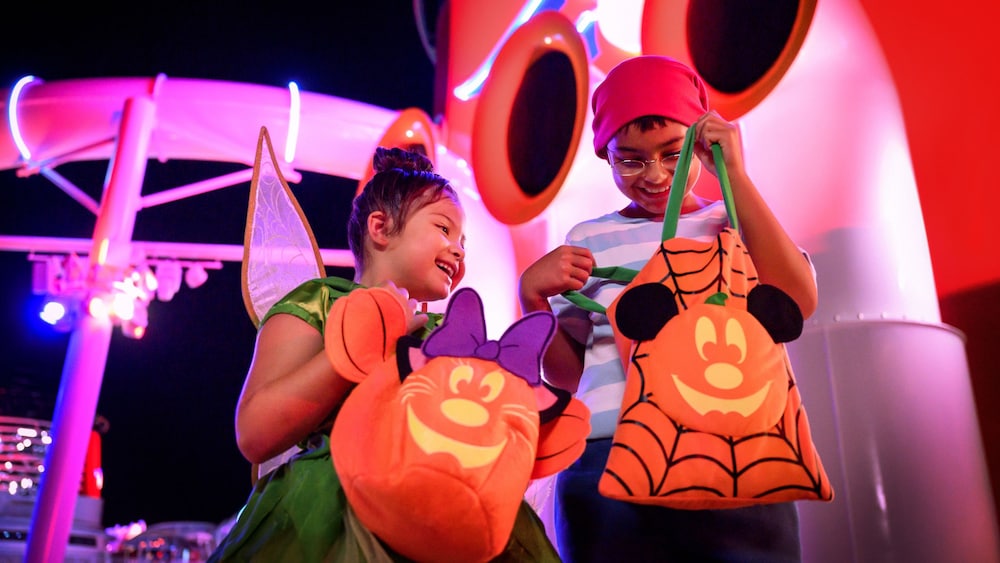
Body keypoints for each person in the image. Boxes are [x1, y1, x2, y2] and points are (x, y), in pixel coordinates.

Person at [517, 55, 819, 562]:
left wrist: (737, 177)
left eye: (673, 153)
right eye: (630, 159)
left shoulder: (735, 218)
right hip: (605, 455)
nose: (654, 174)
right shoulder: (588, 239)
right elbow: (567, 377)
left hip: (736, 445)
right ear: (605, 155)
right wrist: (533, 297)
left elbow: (798, 301)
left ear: (700, 140)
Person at [210, 147, 559, 561]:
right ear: (380, 227)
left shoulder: (446, 336)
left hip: (439, 511)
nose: (460, 250)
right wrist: (362, 343)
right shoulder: (319, 302)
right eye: (444, 229)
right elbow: (256, 432)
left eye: (463, 241)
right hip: (327, 513)